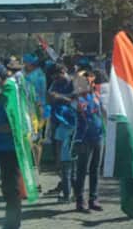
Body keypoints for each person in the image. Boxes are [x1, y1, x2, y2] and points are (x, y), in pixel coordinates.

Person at [0, 66, 25, 229]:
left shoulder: (9, 95)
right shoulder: (4, 94)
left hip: (10, 147)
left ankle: (12, 224)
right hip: (4, 147)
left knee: (11, 189)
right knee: (8, 188)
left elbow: (12, 125)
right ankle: (11, 222)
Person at [73, 73, 104, 213]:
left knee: (95, 169)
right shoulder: (78, 99)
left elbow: (102, 112)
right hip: (84, 139)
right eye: (88, 82)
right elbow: (78, 110)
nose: (92, 84)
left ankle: (93, 198)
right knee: (82, 170)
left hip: (98, 137)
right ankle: (80, 200)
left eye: (92, 82)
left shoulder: (96, 96)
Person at [48, 64, 76, 201]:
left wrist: (60, 97)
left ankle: (71, 190)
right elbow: (49, 97)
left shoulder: (74, 83)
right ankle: (64, 185)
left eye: (57, 75)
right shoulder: (55, 83)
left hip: (70, 123)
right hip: (57, 121)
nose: (56, 79)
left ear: (64, 71)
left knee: (70, 161)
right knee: (59, 158)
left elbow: (76, 100)